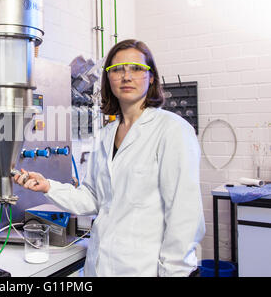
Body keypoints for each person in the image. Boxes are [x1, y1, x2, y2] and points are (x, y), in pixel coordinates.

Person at [14, 39, 205, 277]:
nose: (126, 76)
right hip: (100, 266)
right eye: (117, 69)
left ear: (152, 77)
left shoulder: (172, 130)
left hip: (146, 270)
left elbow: (184, 215)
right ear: (108, 79)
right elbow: (92, 198)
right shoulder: (105, 136)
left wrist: (176, 273)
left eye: (136, 68)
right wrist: (48, 186)